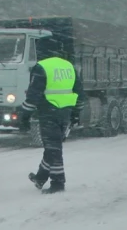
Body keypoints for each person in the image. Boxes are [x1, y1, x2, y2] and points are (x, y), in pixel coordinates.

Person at [19, 53, 85, 194]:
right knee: (53, 147)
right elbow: (79, 92)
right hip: (65, 112)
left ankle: (58, 183)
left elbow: (33, 96)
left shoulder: (41, 67)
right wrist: (75, 114)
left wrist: (24, 116)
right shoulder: (69, 67)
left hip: (49, 111)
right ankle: (40, 177)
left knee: (53, 148)